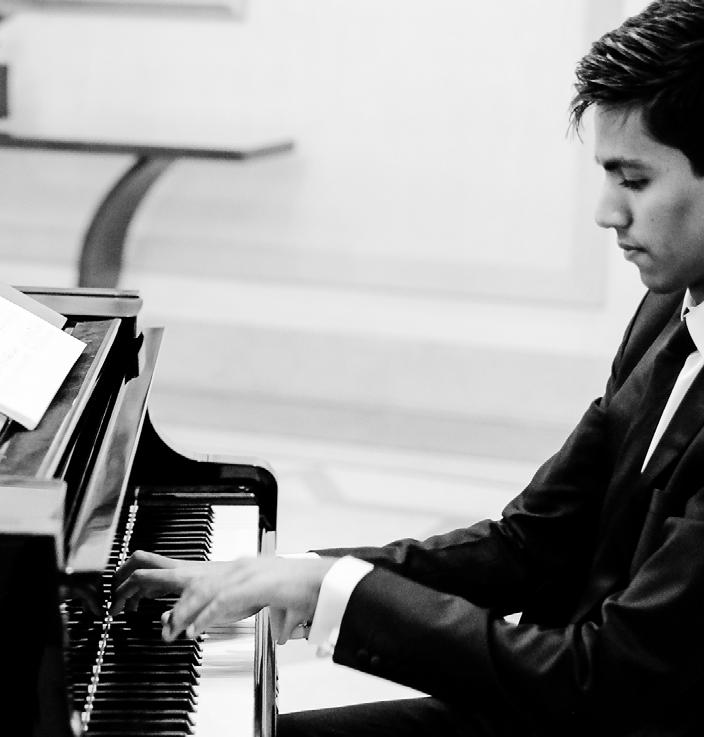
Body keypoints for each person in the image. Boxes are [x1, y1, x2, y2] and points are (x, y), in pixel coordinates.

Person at [110, 1, 704, 735]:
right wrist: (288, 574)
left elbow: (605, 679)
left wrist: (333, 591)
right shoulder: (666, 312)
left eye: (634, 180)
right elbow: (532, 543)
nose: (606, 212)